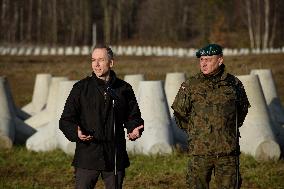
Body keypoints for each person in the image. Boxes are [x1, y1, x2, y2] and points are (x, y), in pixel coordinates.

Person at [59, 44, 144, 189]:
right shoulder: (80, 88)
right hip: (87, 155)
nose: (96, 64)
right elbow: (66, 120)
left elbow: (133, 117)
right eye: (93, 60)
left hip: (114, 157)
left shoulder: (124, 89)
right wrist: (76, 132)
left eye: (101, 60)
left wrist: (134, 129)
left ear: (111, 63)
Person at [172, 44, 250, 189]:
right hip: (199, 152)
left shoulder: (234, 84)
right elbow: (179, 113)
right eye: (201, 59)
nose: (203, 63)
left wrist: (226, 130)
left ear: (220, 60)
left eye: (208, 59)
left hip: (227, 152)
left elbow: (242, 111)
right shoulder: (190, 85)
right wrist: (196, 132)